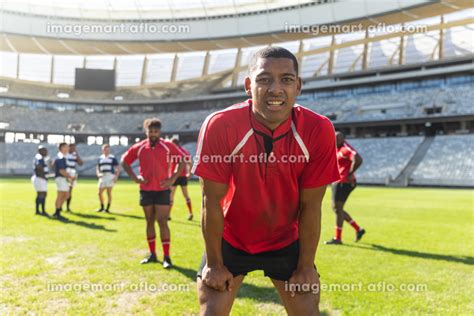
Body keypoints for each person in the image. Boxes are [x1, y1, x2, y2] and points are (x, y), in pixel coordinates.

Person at [192, 46, 340, 316]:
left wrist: (306, 266)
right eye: (264, 79)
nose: (275, 89)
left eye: (286, 79)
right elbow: (210, 201)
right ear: (249, 86)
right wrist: (214, 263)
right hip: (231, 239)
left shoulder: (319, 129)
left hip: (285, 239)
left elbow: (311, 206)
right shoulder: (220, 124)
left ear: (298, 86)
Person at [121, 118, 185, 268]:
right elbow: (124, 161)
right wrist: (135, 178)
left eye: (156, 131)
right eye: (150, 131)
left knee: (162, 222)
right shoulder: (140, 147)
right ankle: (152, 254)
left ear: (159, 132)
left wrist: (172, 179)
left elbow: (182, 160)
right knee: (149, 221)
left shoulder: (168, 146)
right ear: (146, 132)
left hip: (163, 190)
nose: (153, 134)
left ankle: (167, 257)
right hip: (146, 190)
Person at [325, 132, 365, 245]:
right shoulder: (337, 149)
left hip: (344, 182)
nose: (334, 141)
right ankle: (358, 229)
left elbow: (358, 159)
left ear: (342, 139)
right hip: (340, 181)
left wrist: (350, 173)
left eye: (336, 139)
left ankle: (337, 238)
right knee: (338, 209)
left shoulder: (345, 149)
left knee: (338, 209)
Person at [169, 137, 193, 221]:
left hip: (175, 176)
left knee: (171, 196)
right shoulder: (184, 151)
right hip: (182, 176)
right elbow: (190, 163)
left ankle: (168, 215)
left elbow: (168, 164)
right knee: (186, 195)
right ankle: (190, 213)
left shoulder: (172, 151)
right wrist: (189, 173)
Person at [53, 143, 76, 219]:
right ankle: (57, 212)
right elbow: (61, 170)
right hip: (61, 178)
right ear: (62, 148)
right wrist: (70, 177)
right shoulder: (60, 157)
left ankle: (58, 211)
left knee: (65, 195)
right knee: (61, 195)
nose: (68, 148)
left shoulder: (63, 157)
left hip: (63, 178)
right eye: (66, 147)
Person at [96, 144, 121, 213]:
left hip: (110, 176)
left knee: (108, 192)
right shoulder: (100, 158)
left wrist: (116, 176)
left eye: (108, 149)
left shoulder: (112, 157)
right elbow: (98, 167)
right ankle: (102, 207)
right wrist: (98, 173)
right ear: (102, 150)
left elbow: (118, 168)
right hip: (102, 176)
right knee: (99, 193)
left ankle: (107, 208)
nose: (106, 151)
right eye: (105, 149)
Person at [32, 145, 50, 216]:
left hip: (40, 178)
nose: (46, 152)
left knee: (41, 194)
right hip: (40, 178)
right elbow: (39, 167)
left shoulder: (40, 157)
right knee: (42, 194)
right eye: (44, 151)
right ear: (40, 151)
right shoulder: (39, 157)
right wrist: (43, 176)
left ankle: (39, 210)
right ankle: (41, 210)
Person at [65, 143, 83, 212]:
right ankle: (60, 206)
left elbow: (81, 163)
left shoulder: (74, 155)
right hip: (66, 173)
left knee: (69, 191)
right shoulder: (65, 155)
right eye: (72, 148)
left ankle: (67, 207)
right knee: (64, 191)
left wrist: (76, 154)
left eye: (74, 148)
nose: (73, 149)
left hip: (72, 174)